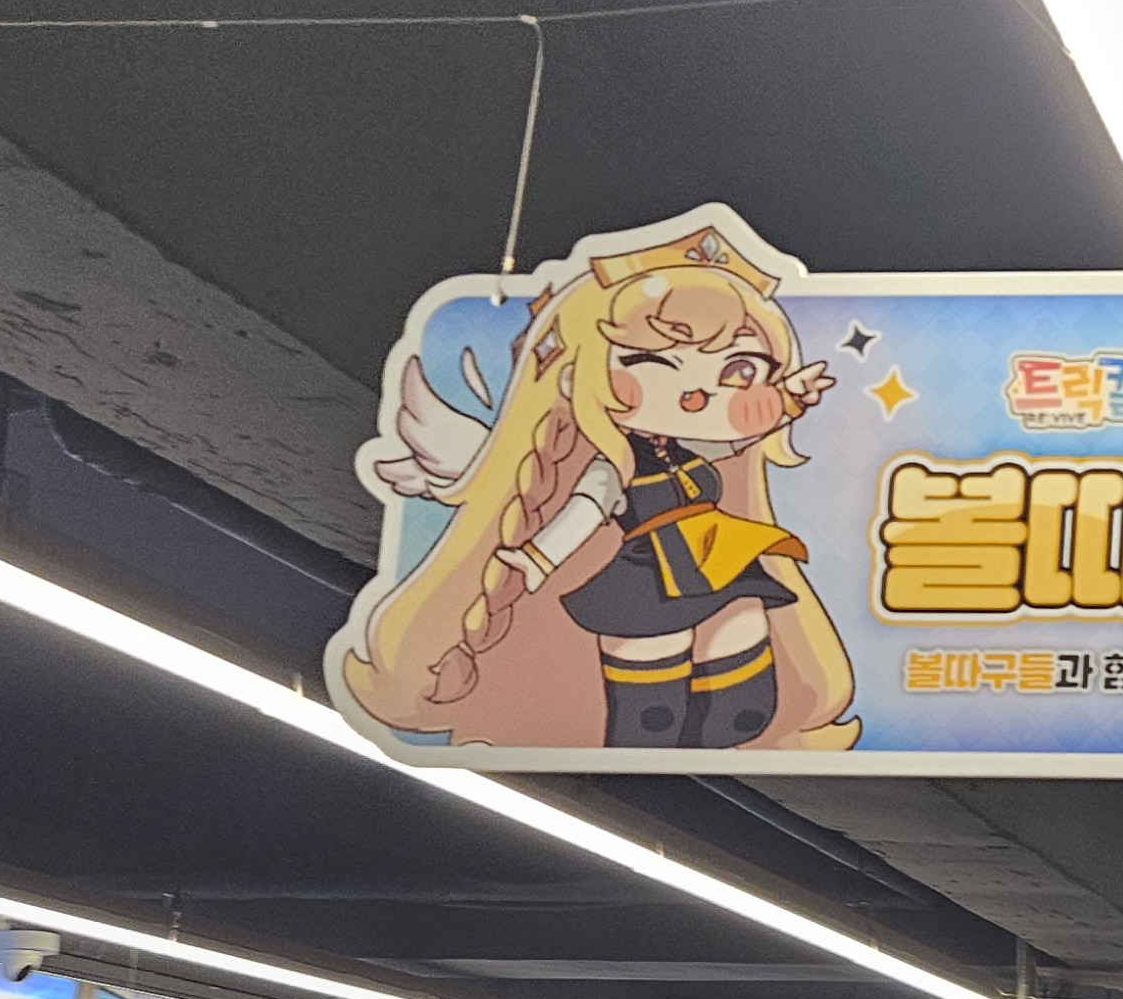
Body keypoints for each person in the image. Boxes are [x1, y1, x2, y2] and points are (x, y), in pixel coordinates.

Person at [344, 219, 856, 750]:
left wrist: (787, 401)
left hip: (722, 565)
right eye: (654, 361)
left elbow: (731, 445)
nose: (699, 392)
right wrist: (537, 558)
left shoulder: (694, 451)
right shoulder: (613, 465)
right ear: (578, 374)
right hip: (646, 581)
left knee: (741, 708)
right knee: (651, 719)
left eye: (739, 369)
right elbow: (586, 508)